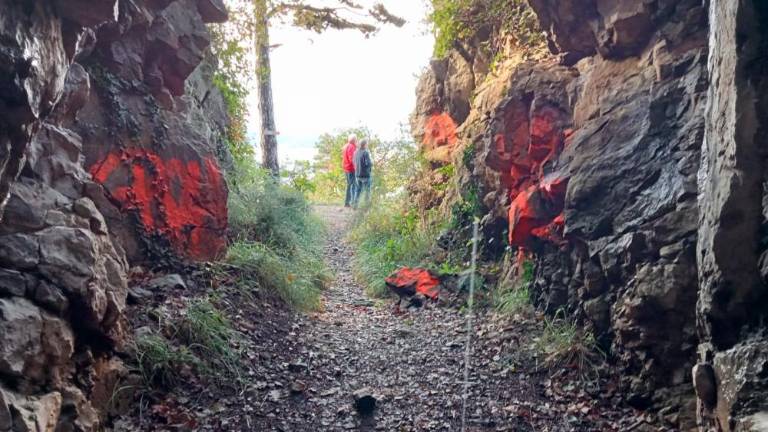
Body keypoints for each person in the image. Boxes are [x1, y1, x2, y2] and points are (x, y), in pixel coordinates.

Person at [353, 139, 373, 209]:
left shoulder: (355, 152)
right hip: (365, 176)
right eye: (367, 144)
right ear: (364, 145)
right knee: (367, 192)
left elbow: (354, 162)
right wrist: (371, 163)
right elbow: (368, 163)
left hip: (357, 175)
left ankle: (355, 206)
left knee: (357, 191)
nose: (367, 145)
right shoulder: (365, 153)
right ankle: (366, 208)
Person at [342, 134, 358, 208]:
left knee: (349, 185)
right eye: (356, 139)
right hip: (351, 169)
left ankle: (347, 203)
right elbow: (352, 159)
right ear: (354, 140)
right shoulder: (351, 147)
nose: (357, 141)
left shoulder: (345, 146)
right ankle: (351, 203)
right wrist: (357, 168)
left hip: (346, 168)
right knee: (353, 186)